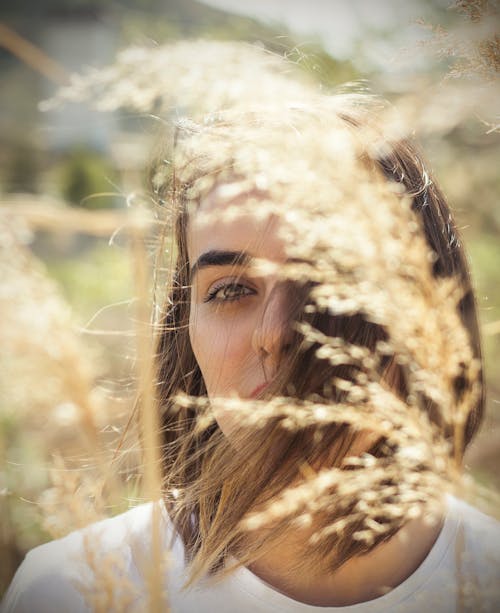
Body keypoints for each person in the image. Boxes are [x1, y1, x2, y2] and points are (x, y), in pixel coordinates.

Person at [2, 89, 499, 612]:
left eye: (330, 277)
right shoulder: (69, 591)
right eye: (230, 289)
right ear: (185, 331)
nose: (276, 332)